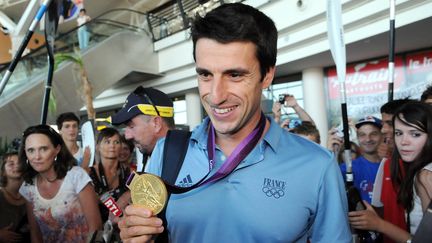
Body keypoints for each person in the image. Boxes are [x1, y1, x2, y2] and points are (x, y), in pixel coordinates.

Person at [119, 3, 350, 243]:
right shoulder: (167, 151)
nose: (216, 96)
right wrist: (135, 233)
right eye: (205, 74)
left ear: (267, 75)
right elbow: (145, 229)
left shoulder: (317, 166)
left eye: (235, 75)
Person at [349, 101, 432, 243]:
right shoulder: (414, 169)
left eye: (415, 134)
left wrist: (379, 224)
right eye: (399, 133)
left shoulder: (425, 175)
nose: (404, 141)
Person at [18, 125, 102, 242]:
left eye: (43, 149)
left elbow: (96, 228)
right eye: (31, 150)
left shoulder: (76, 176)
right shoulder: (28, 186)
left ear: (56, 149)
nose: (37, 156)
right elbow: (35, 232)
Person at [110, 86, 176, 167]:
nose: (127, 136)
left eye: (131, 126)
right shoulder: (156, 161)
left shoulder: (191, 160)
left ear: (156, 123)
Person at [87, 127, 130, 223]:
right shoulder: (89, 174)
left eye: (116, 142)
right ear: (97, 146)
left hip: (123, 227)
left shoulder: (128, 172)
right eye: (107, 142)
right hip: (97, 227)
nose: (112, 146)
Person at [340, 116, 383, 203]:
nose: (368, 139)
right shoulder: (346, 168)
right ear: (358, 138)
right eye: (362, 135)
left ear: (382, 135)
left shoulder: (393, 166)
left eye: (373, 134)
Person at [0, 145, 29, 243]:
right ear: (3, 172)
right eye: (11, 164)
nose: (17, 166)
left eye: (20, 163)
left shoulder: (30, 194)